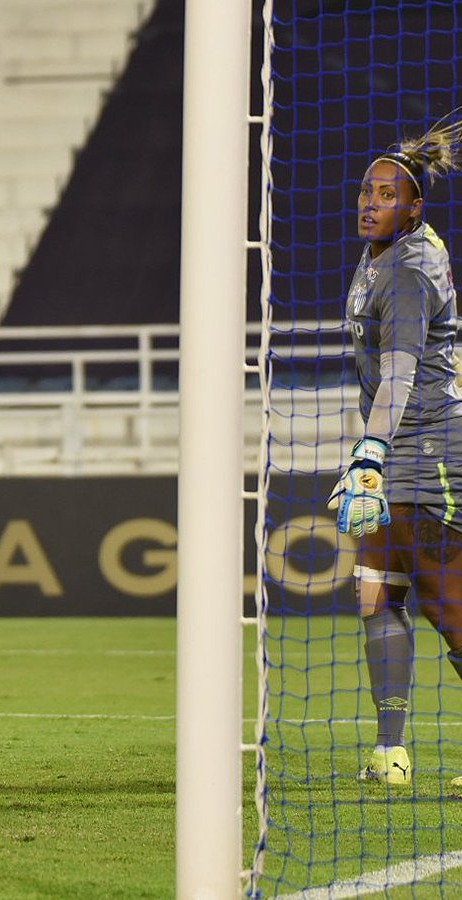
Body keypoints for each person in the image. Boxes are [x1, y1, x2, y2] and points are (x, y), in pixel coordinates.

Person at [326, 115, 462, 790]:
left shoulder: (408, 269)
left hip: (429, 449)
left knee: (447, 604)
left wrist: (370, 453)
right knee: (377, 595)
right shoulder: (379, 254)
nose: (369, 202)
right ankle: (391, 751)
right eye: (366, 191)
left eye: (386, 194)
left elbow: (403, 371)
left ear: (415, 207)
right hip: (387, 449)